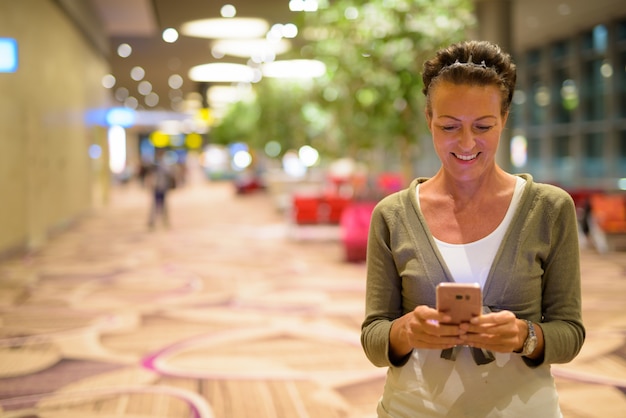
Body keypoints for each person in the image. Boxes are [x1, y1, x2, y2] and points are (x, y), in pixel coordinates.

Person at [361, 40, 585, 417]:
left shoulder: (549, 208)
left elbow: (570, 332)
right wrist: (406, 331)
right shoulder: (393, 215)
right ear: (428, 118)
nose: (467, 143)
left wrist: (525, 336)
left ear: (505, 118)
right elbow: (373, 337)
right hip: (412, 409)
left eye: (483, 126)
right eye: (450, 126)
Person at [145, 148, 176, 229]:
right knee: (156, 206)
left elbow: (169, 174)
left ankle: (163, 221)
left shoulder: (162, 164)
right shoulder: (156, 165)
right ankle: (154, 221)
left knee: (162, 205)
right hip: (158, 187)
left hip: (162, 187)